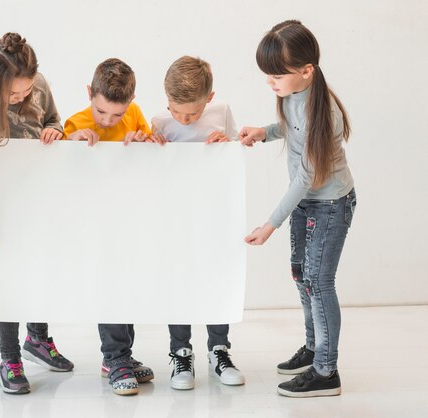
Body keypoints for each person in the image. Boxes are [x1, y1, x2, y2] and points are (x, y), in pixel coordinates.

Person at [239, 20, 356, 398]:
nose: (271, 82)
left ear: (306, 71)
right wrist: (265, 131)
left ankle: (326, 371)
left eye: (277, 75)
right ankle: (313, 347)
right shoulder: (296, 96)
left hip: (330, 205)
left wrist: (269, 224)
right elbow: (291, 126)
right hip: (309, 203)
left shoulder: (323, 110)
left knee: (319, 283)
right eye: (268, 75)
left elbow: (305, 177)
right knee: (301, 276)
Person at [0, 32, 73, 395]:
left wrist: (54, 130)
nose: (20, 98)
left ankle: (37, 339)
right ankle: (9, 357)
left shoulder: (39, 86)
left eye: (25, 92)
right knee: (5, 276)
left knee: (40, 266)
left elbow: (54, 119)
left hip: (41, 197)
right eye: (13, 95)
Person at [150, 56, 245, 390]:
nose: (184, 119)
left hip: (216, 213)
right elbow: (153, 172)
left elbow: (235, 155)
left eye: (192, 113)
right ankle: (180, 351)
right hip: (176, 216)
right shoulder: (160, 121)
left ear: (210, 97)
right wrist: (152, 146)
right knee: (179, 280)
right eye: (177, 111)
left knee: (217, 276)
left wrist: (228, 143)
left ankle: (219, 349)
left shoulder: (222, 112)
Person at [63, 58, 153, 396]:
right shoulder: (76, 122)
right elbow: (59, 171)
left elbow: (153, 152)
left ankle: (120, 356)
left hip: (128, 215)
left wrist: (144, 141)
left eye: (117, 115)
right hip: (93, 221)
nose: (108, 121)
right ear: (90, 94)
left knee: (126, 287)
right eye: (102, 112)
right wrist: (70, 144)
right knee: (110, 285)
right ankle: (116, 357)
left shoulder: (134, 114)